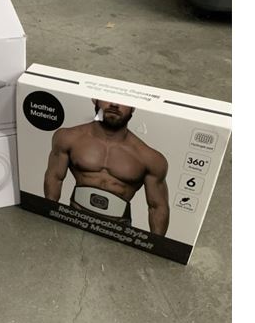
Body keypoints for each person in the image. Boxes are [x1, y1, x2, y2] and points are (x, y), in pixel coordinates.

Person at [43, 99, 170, 235]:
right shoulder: (67, 137)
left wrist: (156, 245)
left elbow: (157, 207)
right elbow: (55, 177)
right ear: (95, 99)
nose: (114, 104)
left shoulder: (150, 158)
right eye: (108, 97)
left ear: (133, 107)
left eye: (123, 100)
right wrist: (49, 220)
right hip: (74, 219)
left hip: (118, 230)